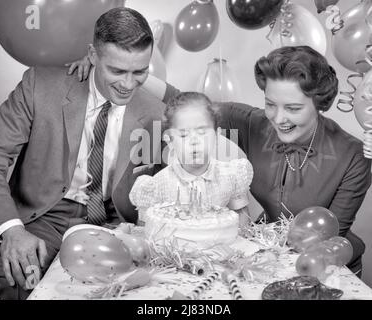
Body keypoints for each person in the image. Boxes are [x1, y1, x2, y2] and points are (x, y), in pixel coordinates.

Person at [68, 45, 372, 276]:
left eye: (293, 108)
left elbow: (332, 233)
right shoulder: (256, 124)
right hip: (264, 256)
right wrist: (106, 71)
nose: (279, 119)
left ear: (320, 103)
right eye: (270, 104)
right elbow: (190, 104)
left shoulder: (354, 155)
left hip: (326, 266)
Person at [0, 7, 167, 300]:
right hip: (46, 218)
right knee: (15, 281)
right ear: (92, 55)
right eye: (117, 70)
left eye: (139, 71)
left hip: (117, 225)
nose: (128, 84)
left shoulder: (155, 113)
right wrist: (11, 230)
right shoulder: (39, 86)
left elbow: (157, 181)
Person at [129, 92, 253, 227]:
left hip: (220, 245)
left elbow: (242, 215)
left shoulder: (231, 175)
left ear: (216, 135)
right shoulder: (158, 186)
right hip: (175, 245)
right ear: (170, 140)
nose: (194, 141)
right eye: (183, 135)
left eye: (202, 133)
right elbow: (145, 226)